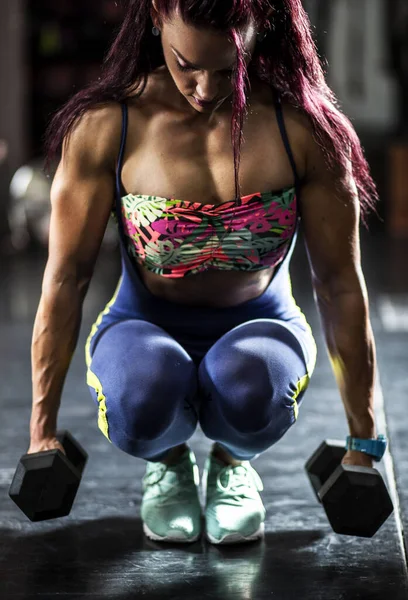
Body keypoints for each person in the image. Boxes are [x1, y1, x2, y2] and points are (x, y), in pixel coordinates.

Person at [28, 0, 382, 545]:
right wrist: (41, 432)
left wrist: (366, 440)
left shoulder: (305, 131)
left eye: (226, 68)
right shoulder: (108, 127)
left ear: (259, 30)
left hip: (261, 325)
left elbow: (338, 285)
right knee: (138, 395)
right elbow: (65, 278)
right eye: (186, 63)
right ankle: (168, 464)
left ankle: (232, 463)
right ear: (154, 18)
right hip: (143, 324)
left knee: (251, 383)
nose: (206, 89)